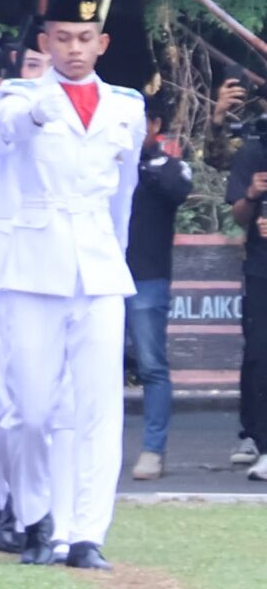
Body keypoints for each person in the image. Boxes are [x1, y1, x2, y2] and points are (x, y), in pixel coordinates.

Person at [0, 0, 140, 566]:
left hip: (95, 267)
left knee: (98, 409)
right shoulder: (11, 102)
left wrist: (115, 257)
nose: (74, 49)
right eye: (63, 38)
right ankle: (38, 515)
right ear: (45, 43)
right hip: (29, 267)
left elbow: (125, 198)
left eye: (84, 38)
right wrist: (22, 119)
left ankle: (86, 532)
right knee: (33, 409)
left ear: (102, 44)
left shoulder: (125, 108)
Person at [123, 111, 192, 481]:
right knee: (91, 368)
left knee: (151, 366)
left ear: (154, 125)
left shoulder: (166, 167)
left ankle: (152, 450)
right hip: (104, 278)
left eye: (139, 123)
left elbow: (177, 189)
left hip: (148, 279)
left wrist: (146, 160)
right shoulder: (108, 161)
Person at [225, 108, 267, 482]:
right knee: (259, 352)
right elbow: (238, 215)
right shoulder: (253, 152)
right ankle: (256, 436)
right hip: (261, 268)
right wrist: (253, 195)